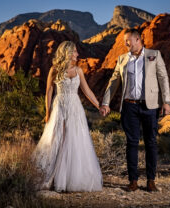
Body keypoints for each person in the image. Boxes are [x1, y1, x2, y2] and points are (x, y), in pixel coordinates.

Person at [99, 28, 170, 192]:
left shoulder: (154, 55)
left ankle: (151, 180)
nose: (125, 44)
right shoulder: (122, 59)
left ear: (138, 39)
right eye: (125, 41)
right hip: (129, 106)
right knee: (131, 143)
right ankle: (133, 181)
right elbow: (113, 82)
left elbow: (163, 78)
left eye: (128, 41)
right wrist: (105, 103)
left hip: (150, 105)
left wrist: (166, 102)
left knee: (150, 143)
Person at [33, 41, 103, 192]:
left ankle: (71, 178)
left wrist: (99, 106)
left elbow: (87, 91)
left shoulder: (79, 70)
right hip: (60, 106)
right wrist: (47, 113)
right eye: (75, 52)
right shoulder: (55, 69)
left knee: (74, 138)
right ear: (68, 53)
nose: (77, 54)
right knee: (59, 138)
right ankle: (52, 177)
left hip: (75, 108)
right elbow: (49, 92)